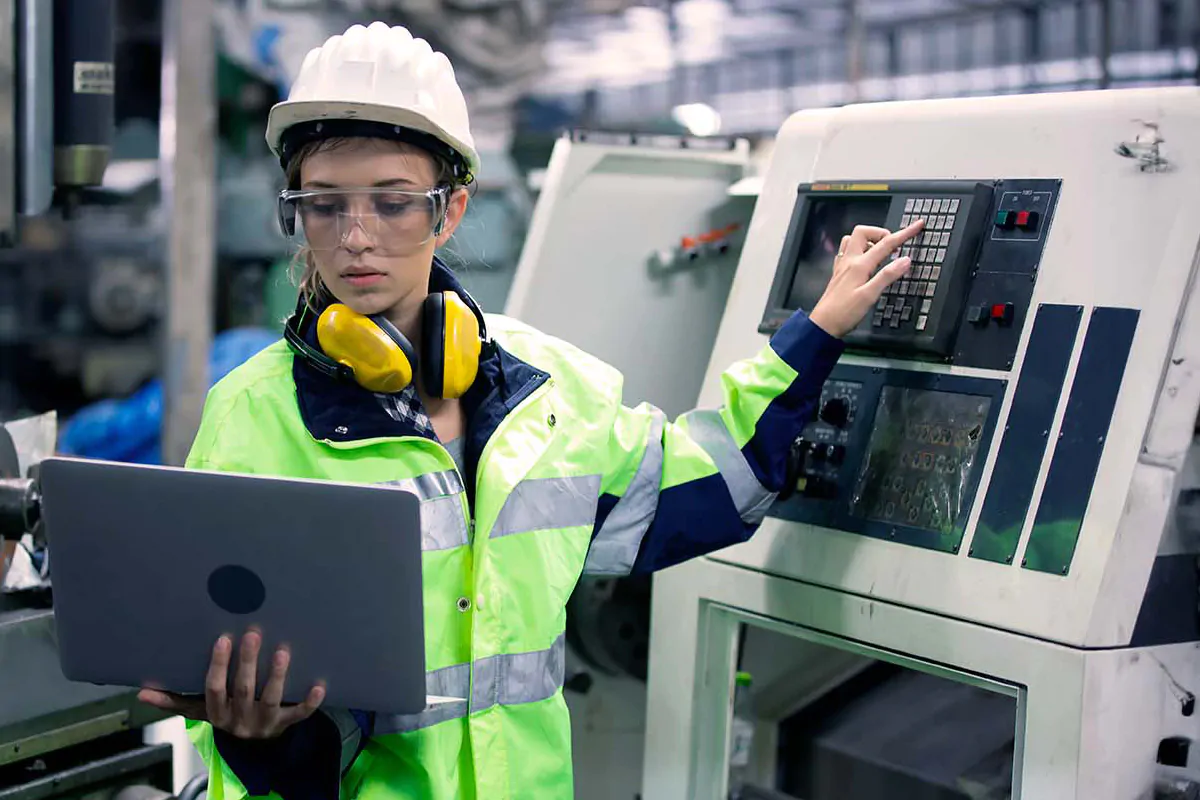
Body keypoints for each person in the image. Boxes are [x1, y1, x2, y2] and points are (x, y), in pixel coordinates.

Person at [137, 21, 923, 800]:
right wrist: (255, 733)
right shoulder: (253, 413)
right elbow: (235, 683)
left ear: (448, 211)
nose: (356, 237)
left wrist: (815, 333)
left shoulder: (548, 391)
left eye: (394, 202)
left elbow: (719, 483)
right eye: (325, 205)